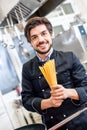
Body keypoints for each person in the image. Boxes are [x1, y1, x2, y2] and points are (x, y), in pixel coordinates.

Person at [21, 16, 87, 130]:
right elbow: (26, 100)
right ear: (30, 42)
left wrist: (67, 93)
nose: (41, 40)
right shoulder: (27, 68)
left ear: (51, 34)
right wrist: (49, 102)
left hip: (80, 123)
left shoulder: (69, 57)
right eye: (34, 37)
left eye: (44, 33)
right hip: (54, 126)